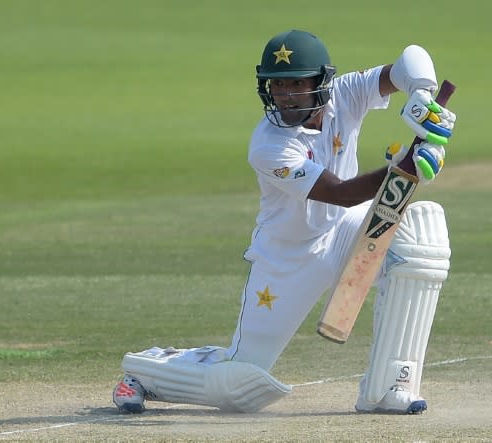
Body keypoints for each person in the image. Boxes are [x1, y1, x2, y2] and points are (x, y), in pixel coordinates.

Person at [112, 29, 456, 415]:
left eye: (296, 83)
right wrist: (404, 167)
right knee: (239, 382)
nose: (284, 95)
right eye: (276, 85)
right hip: (288, 261)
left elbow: (408, 61)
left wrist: (423, 97)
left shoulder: (346, 92)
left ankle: (390, 385)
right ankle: (146, 371)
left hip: (342, 230)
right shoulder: (269, 144)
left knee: (419, 236)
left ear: (321, 83)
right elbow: (340, 192)